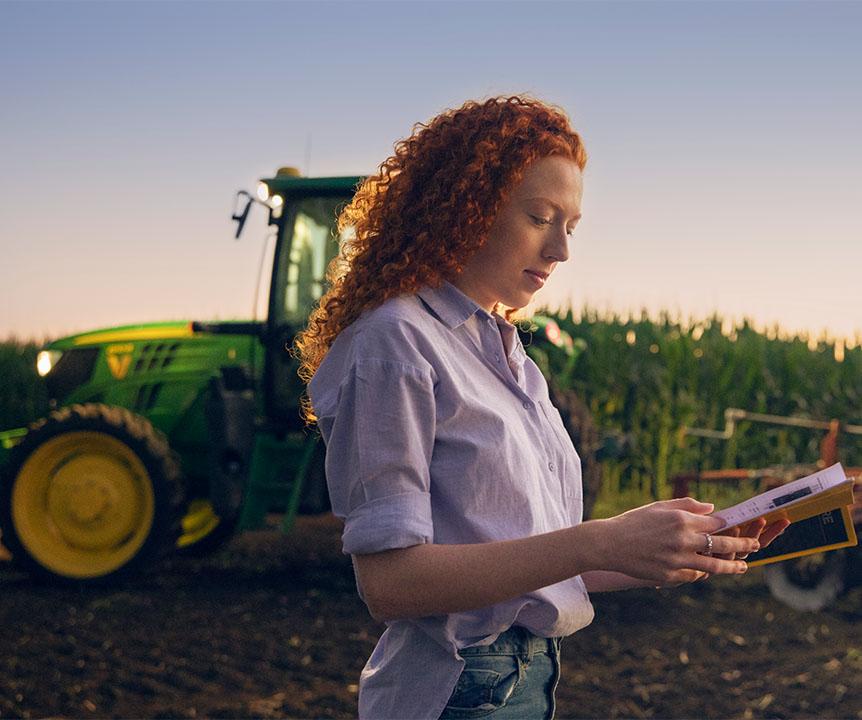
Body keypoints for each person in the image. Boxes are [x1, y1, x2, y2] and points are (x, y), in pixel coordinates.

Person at [295, 96, 787, 720]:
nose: (560, 250)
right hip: (458, 690)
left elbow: (532, 562)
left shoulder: (509, 357)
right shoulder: (395, 343)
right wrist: (596, 540)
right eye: (538, 217)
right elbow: (392, 584)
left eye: (571, 226)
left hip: (525, 678)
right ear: (462, 207)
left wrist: (670, 547)